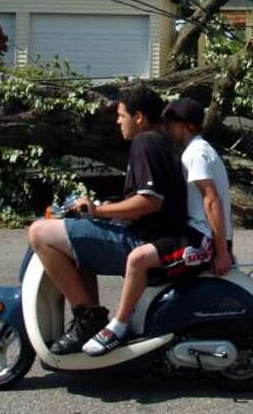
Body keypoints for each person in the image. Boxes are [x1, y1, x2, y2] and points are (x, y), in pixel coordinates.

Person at [26, 84, 187, 355]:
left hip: (143, 242)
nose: (117, 121)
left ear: (139, 117)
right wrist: (107, 207)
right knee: (75, 238)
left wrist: (99, 211)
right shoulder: (161, 143)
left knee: (39, 233)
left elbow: (150, 201)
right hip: (155, 237)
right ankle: (89, 316)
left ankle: (87, 318)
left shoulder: (145, 142)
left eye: (122, 115)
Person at [84, 96, 233, 355]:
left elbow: (211, 200)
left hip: (203, 237)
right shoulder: (197, 150)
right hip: (199, 233)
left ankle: (116, 327)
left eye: (170, 123)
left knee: (137, 259)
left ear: (185, 126)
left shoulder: (197, 153)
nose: (165, 128)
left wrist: (222, 252)